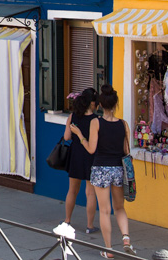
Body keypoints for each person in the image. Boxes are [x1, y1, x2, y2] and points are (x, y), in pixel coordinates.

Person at [71, 85, 134, 258]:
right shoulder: (123, 124)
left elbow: (91, 149)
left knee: (105, 211)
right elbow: (126, 151)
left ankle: (109, 250)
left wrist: (80, 136)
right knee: (120, 208)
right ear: (115, 105)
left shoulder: (95, 123)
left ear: (99, 105)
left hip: (100, 169)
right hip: (118, 170)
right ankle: (126, 238)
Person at [63, 87, 99, 234]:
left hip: (75, 155)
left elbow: (66, 137)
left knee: (72, 190)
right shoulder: (95, 120)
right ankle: (90, 226)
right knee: (90, 193)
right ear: (93, 103)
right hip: (90, 156)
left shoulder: (73, 116)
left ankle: (67, 221)